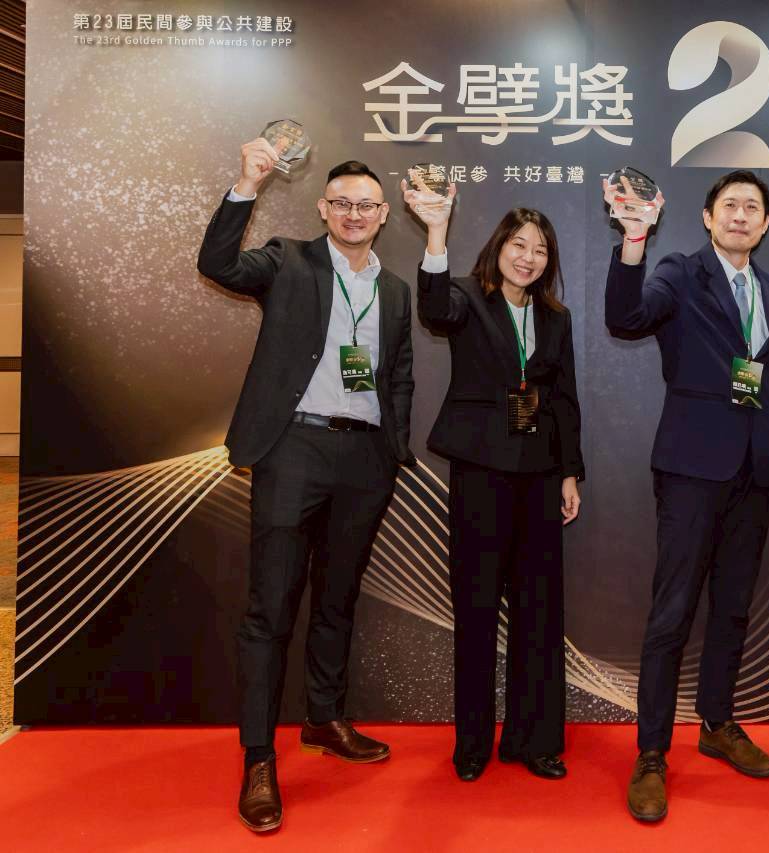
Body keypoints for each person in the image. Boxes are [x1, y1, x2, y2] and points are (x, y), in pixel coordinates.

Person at [197, 140, 415, 832]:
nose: (354, 214)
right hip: (293, 448)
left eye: (366, 205)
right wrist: (246, 183)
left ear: (383, 215)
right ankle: (259, 756)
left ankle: (324, 717)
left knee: (337, 599)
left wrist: (393, 449)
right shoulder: (288, 260)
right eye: (341, 203)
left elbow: (399, 373)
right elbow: (218, 264)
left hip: (365, 459)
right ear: (323, 209)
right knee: (271, 609)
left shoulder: (395, 289)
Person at [603, 170, 769, 822]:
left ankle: (717, 723)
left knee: (733, 607)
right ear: (709, 217)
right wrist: (634, 239)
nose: (741, 215)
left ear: (766, 224)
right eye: (729, 205)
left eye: (752, 207)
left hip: (754, 471)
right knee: (673, 613)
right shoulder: (680, 272)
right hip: (691, 467)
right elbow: (626, 317)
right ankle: (652, 752)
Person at [406, 181, 584, 783]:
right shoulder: (466, 297)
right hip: (480, 472)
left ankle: (534, 741)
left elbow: (565, 400)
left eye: (540, 249)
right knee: (477, 608)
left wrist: (569, 473)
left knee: (540, 612)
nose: (528, 257)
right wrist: (435, 233)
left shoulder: (556, 318)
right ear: (498, 247)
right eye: (518, 244)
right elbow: (433, 309)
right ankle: (474, 743)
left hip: (540, 476)